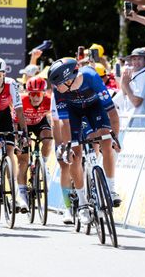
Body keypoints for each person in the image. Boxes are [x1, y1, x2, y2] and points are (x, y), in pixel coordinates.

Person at [48, 58, 121, 226]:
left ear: (68, 79)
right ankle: (82, 204)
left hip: (95, 108)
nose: (55, 88)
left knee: (107, 142)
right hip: (73, 114)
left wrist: (115, 136)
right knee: (75, 155)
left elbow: (112, 112)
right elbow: (65, 123)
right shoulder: (60, 91)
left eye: (57, 84)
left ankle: (111, 188)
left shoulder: (91, 77)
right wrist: (68, 147)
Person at [15, 77, 64, 220]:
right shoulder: (22, 101)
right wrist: (21, 138)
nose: (35, 97)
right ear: (28, 93)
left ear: (44, 93)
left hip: (39, 122)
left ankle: (43, 163)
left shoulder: (49, 100)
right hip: (22, 125)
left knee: (48, 139)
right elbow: (15, 122)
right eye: (32, 94)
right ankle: (22, 195)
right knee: (22, 161)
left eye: (38, 94)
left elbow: (55, 121)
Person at [0, 57, 29, 211]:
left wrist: (24, 132)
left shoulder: (11, 84)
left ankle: (15, 193)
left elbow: (19, 109)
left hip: (4, 115)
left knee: (10, 151)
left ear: (4, 74)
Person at [115, 48, 145, 127]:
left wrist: (126, 85)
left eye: (139, 59)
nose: (136, 62)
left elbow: (136, 102)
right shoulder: (136, 75)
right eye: (134, 59)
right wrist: (123, 82)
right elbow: (122, 97)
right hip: (132, 124)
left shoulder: (144, 76)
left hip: (140, 126)